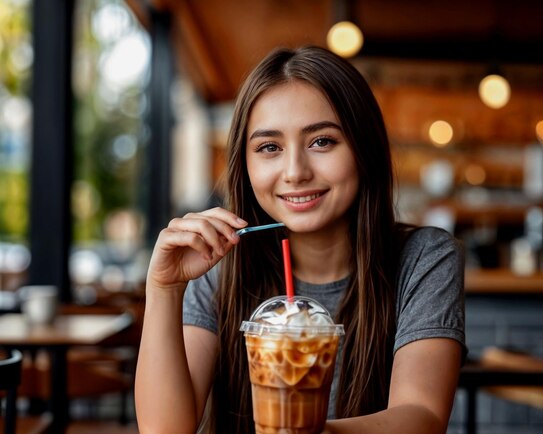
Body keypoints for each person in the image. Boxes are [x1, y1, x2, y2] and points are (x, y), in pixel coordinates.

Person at [135, 45, 466, 434]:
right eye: (270, 148)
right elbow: (164, 430)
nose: (294, 172)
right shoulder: (220, 263)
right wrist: (164, 289)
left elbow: (422, 416)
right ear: (245, 163)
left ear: (364, 149)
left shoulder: (424, 258)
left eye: (322, 141)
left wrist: (299, 428)